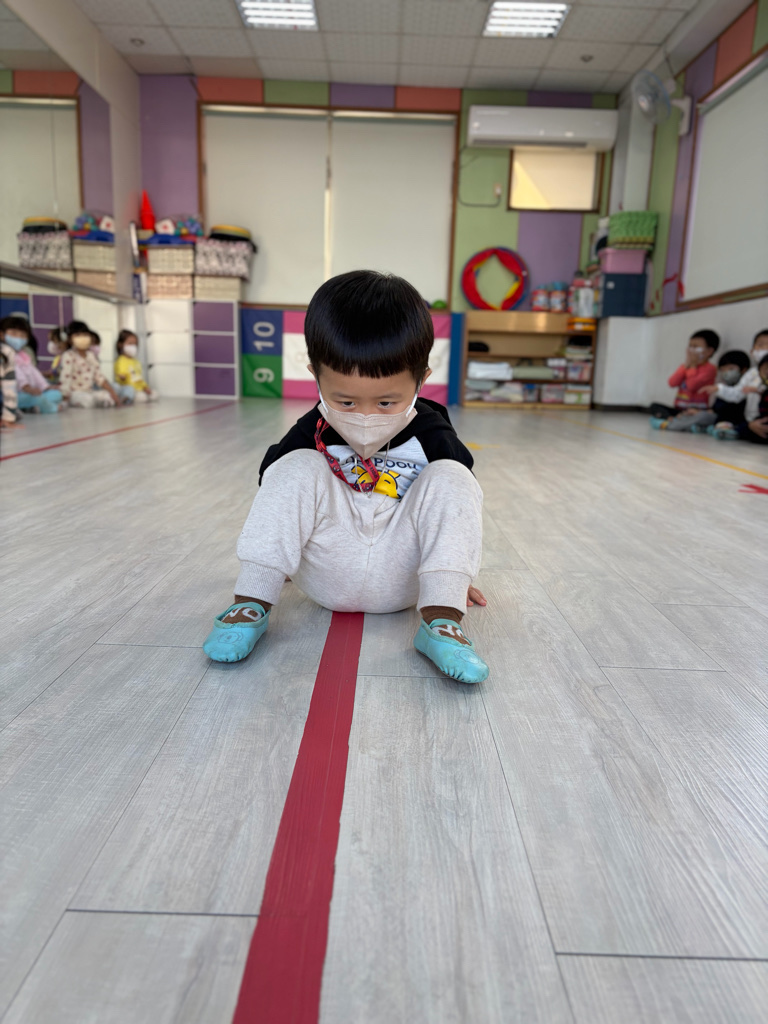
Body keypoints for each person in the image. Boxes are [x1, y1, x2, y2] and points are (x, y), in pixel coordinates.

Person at [202, 270, 489, 684]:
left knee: (454, 476)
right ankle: (250, 604)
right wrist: (277, 560)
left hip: (401, 577)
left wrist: (452, 577)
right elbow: (274, 482)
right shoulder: (314, 428)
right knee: (294, 465)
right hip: (328, 572)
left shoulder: (431, 431)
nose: (366, 415)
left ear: (421, 381)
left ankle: (442, 621)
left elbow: (459, 508)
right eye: (346, 401)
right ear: (317, 378)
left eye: (387, 402)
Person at [701, 329, 768, 439]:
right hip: (752, 419)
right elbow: (737, 393)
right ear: (752, 351)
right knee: (744, 429)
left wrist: (758, 390)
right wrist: (719, 389)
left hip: (765, 416)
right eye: (761, 345)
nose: (765, 348)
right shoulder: (751, 373)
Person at [650, 329, 719, 429]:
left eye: (696, 347)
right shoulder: (686, 367)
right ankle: (673, 419)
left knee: (705, 416)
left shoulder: (710, 369)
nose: (691, 350)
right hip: (680, 409)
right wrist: (685, 366)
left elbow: (692, 386)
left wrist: (693, 366)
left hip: (696, 410)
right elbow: (672, 383)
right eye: (690, 346)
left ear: (709, 351)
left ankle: (675, 422)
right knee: (654, 406)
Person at [0, 315, 63, 414]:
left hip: (30, 392)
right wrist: (27, 388)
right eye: (14, 333)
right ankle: (50, 408)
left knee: (56, 394)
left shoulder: (23, 355)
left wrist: (45, 387)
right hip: (13, 394)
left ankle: (30, 407)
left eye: (22, 335)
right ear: (2, 335)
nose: (18, 338)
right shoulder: (4, 355)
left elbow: (34, 372)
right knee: (36, 398)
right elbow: (16, 374)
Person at [57, 320, 121, 408]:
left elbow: (99, 377)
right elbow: (65, 377)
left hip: (89, 391)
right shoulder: (68, 355)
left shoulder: (91, 356)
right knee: (88, 400)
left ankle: (102, 403)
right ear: (70, 339)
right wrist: (65, 397)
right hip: (74, 393)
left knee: (107, 396)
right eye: (77, 335)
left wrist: (113, 393)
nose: (82, 338)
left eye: (85, 335)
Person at [114, 330, 156, 403]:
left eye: (135, 344)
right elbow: (119, 377)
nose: (133, 346)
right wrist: (121, 377)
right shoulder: (120, 360)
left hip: (139, 389)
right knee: (141, 397)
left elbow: (139, 378)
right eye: (130, 343)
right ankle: (126, 398)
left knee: (154, 394)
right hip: (129, 389)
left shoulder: (136, 362)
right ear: (120, 344)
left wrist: (145, 387)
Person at [736, 355, 768, 444]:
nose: (767, 372)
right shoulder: (763, 391)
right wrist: (752, 425)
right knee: (744, 428)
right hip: (762, 421)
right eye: (765, 369)